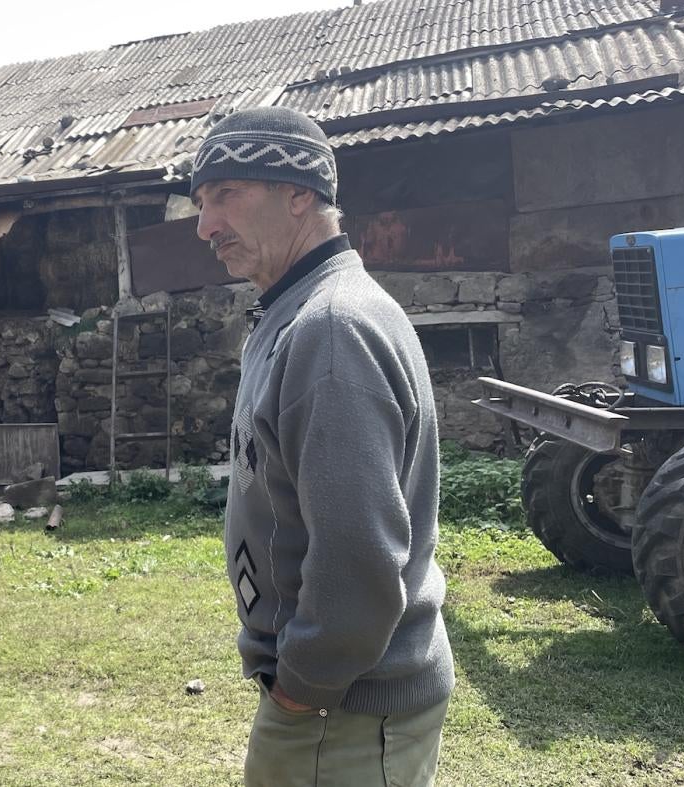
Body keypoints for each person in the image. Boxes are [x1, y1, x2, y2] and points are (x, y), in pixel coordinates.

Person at [190, 106, 455, 786]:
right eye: (200, 202)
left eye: (225, 194)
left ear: (298, 193)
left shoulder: (330, 328)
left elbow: (357, 556)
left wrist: (301, 686)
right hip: (341, 704)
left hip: (340, 710)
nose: (206, 226)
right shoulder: (298, 312)